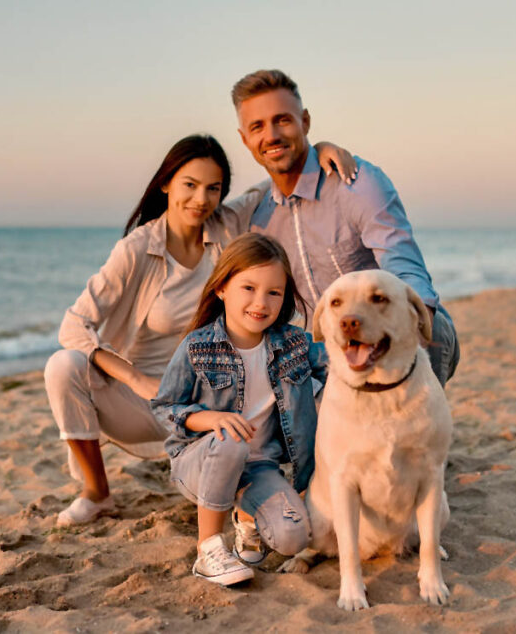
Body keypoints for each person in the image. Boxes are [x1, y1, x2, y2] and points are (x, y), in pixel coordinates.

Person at [44, 134, 353, 527]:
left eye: (213, 188)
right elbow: (74, 324)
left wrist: (318, 149)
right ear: (166, 182)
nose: (201, 199)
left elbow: (275, 180)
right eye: (189, 184)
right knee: (63, 366)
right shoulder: (137, 249)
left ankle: (266, 486)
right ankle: (96, 492)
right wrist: (135, 378)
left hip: (218, 402)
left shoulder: (227, 226)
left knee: (305, 381)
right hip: (150, 401)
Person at [232, 69, 459, 385]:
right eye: (257, 126)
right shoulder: (258, 219)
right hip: (328, 356)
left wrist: (412, 345)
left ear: (305, 122)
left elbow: (407, 272)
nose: (271, 135)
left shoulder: (358, 182)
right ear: (245, 139)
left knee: (425, 337)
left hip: (389, 339)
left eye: (282, 120)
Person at [150, 233, 324, 585]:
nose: (261, 302)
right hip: (200, 460)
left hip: (259, 467)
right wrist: (211, 419)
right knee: (230, 439)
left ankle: (246, 518)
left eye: (274, 292)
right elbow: (165, 407)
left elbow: (341, 368)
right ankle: (209, 551)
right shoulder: (198, 346)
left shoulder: (294, 344)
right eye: (248, 287)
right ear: (221, 288)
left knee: (292, 538)